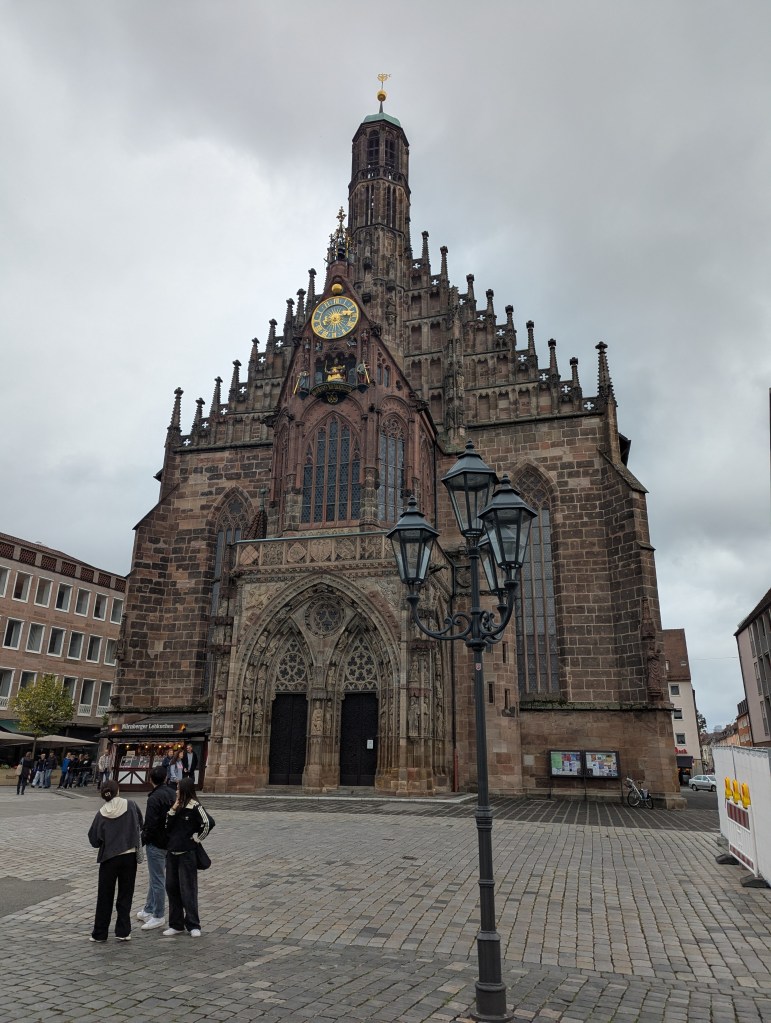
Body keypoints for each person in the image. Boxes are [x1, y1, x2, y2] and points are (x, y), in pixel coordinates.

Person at [87, 780, 143, 942]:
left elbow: (94, 840)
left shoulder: (102, 812)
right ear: (117, 791)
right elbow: (140, 823)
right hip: (129, 856)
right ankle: (123, 931)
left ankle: (100, 933)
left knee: (105, 896)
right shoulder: (131, 805)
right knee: (126, 894)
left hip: (109, 858)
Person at [163, 778, 213, 937]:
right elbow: (167, 826)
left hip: (187, 854)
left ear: (184, 789)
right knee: (172, 888)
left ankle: (193, 924)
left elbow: (208, 822)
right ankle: (176, 924)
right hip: (172, 853)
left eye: (178, 788)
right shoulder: (176, 806)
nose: (176, 791)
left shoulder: (195, 807)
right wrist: (173, 809)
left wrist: (197, 839)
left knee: (188, 889)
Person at [136, 766, 175, 931]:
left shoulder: (154, 798)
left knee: (158, 879)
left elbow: (150, 825)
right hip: (169, 842)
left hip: (156, 843)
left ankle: (158, 915)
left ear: (150, 779)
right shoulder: (173, 794)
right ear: (166, 778)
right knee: (156, 877)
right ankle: (148, 909)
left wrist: (141, 842)